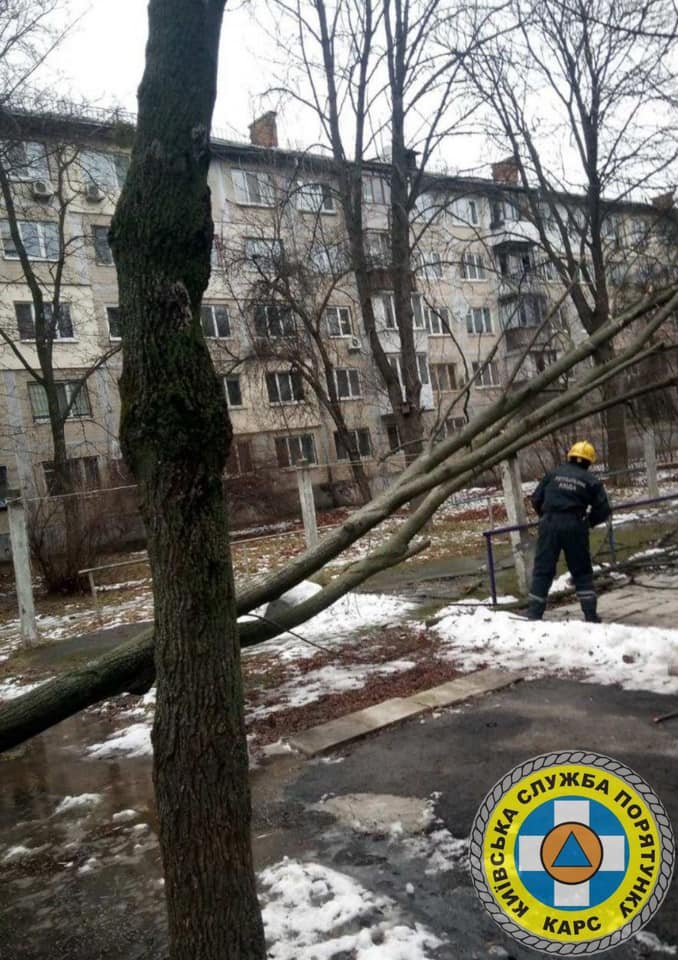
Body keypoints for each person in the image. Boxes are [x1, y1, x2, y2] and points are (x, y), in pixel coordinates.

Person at [526, 441, 611, 623]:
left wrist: (546, 516)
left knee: (543, 570)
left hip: (549, 523)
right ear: (589, 462)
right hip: (574, 524)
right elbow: (603, 510)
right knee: (581, 571)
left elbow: (535, 499)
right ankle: (590, 615)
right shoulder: (591, 481)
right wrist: (588, 522)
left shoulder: (553, 474)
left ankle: (534, 615)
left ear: (570, 457)